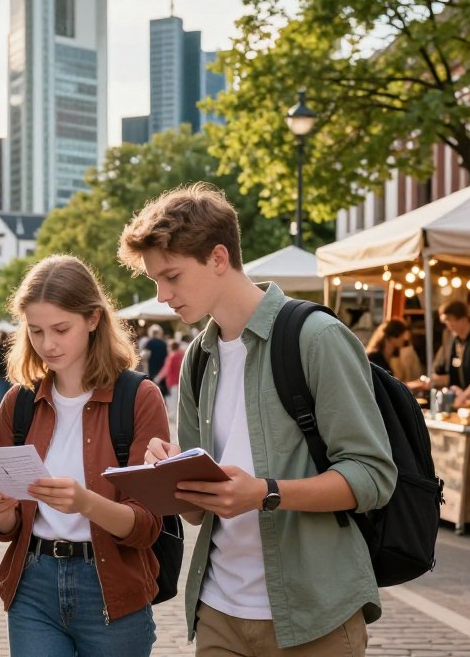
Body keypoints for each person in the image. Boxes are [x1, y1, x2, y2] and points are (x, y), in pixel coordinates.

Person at [118, 182, 397, 656]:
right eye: (154, 282)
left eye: (172, 276)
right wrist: (171, 474)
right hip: (218, 614)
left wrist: (265, 493)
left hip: (315, 615)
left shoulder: (317, 338)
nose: (163, 295)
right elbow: (196, 510)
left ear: (219, 258)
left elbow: (373, 477)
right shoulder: (197, 359)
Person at [0, 254, 169, 657]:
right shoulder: (20, 402)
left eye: (60, 329)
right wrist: (0, 511)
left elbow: (147, 527)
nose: (47, 344)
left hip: (112, 587)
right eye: (35, 331)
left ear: (93, 319)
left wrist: (86, 503)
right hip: (33, 585)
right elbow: (10, 527)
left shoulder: (139, 398)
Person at [428, 300, 470, 396]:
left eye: (449, 320)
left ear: (463, 319)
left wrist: (464, 396)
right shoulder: (454, 341)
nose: (447, 325)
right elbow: (450, 374)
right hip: (459, 398)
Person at [156, 338, 185, 408]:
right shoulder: (182, 355)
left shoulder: (171, 356)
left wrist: (158, 378)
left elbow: (167, 369)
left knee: (173, 403)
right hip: (182, 381)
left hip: (173, 381)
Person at [143, 324, 168, 393]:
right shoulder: (164, 343)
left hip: (152, 368)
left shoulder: (149, 343)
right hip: (162, 369)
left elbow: (145, 356)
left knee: (153, 390)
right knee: (162, 392)